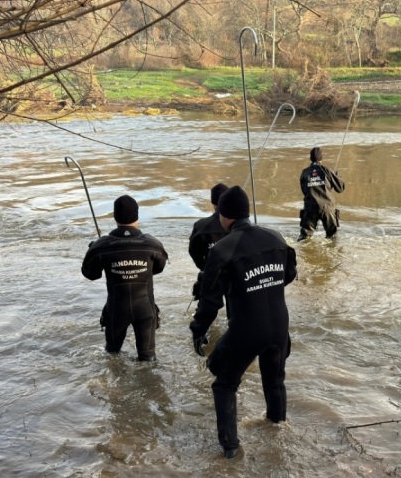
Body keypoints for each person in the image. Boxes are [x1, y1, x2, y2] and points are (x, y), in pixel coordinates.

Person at [189, 186, 298, 458]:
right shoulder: (275, 236)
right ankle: (277, 429)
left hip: (248, 327)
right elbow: (289, 275)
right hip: (280, 325)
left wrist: (198, 329)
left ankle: (230, 449)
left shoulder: (224, 248)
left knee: (224, 384)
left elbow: (210, 300)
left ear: (223, 216)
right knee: (274, 381)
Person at [82, 195, 168, 361]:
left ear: (115, 217)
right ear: (137, 216)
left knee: (112, 357)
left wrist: (93, 249)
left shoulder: (101, 246)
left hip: (116, 310)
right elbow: (158, 268)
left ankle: (111, 387)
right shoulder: (153, 245)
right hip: (145, 309)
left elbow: (90, 274)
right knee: (148, 360)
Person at [188, 183, 230, 299]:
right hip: (235, 276)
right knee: (235, 313)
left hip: (210, 274)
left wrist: (204, 267)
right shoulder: (237, 225)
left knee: (204, 313)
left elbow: (193, 251)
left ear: (213, 203)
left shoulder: (200, 226)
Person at [298, 146, 345, 241]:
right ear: (321, 158)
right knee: (332, 237)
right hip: (327, 207)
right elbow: (340, 188)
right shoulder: (327, 170)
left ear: (310, 158)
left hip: (310, 208)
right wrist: (337, 176)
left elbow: (304, 191)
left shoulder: (305, 172)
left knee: (304, 238)